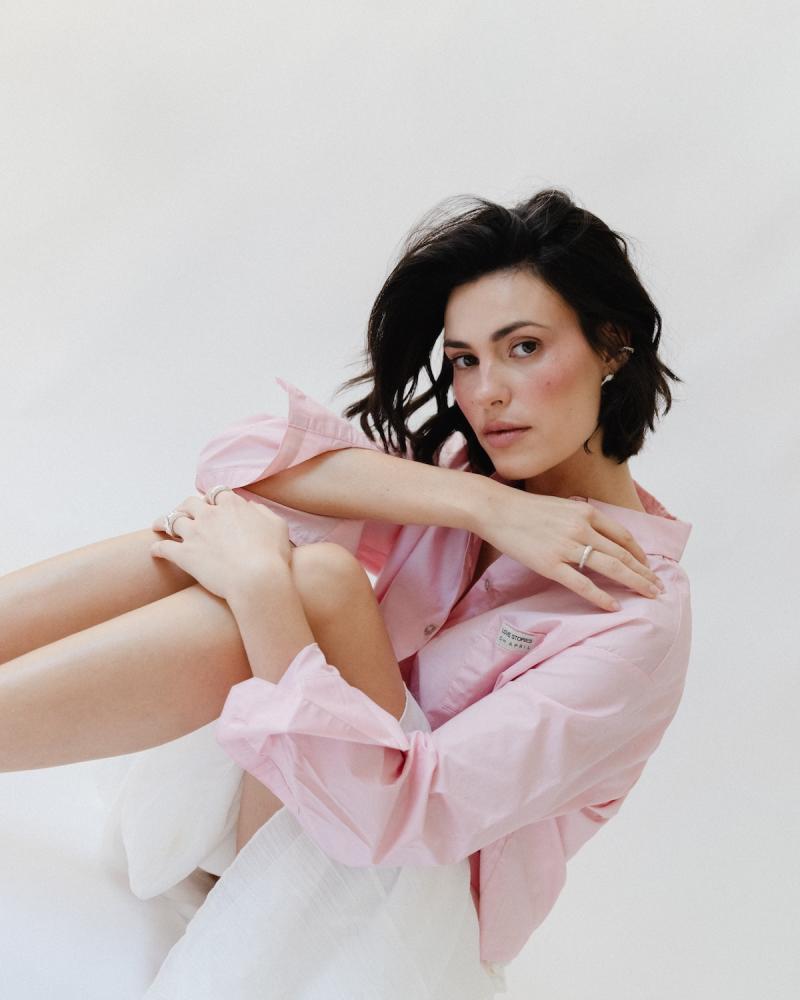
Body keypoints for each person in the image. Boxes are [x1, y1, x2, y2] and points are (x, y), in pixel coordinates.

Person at [0, 187, 692, 998]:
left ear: (612, 345)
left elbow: (414, 812)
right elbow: (238, 463)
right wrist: (486, 505)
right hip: (286, 810)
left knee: (302, 576)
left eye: (524, 348)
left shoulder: (637, 622)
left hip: (398, 918)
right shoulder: (469, 483)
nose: (486, 392)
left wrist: (262, 586)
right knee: (246, 539)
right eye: (465, 360)